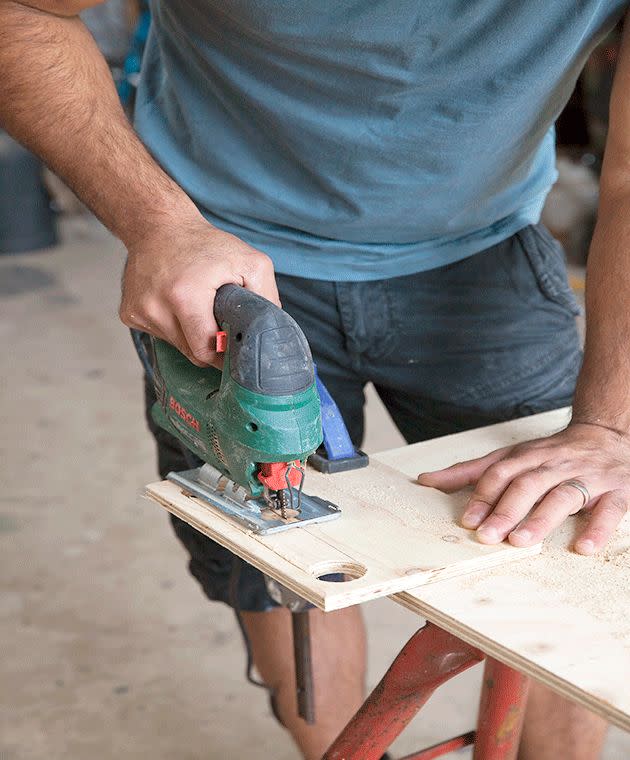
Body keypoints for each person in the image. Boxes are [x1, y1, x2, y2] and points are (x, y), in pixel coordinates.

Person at [2, 2, 629, 758]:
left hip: (483, 247)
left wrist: (610, 426)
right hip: (218, 248)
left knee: (563, 536)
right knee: (276, 562)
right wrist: (158, 224)